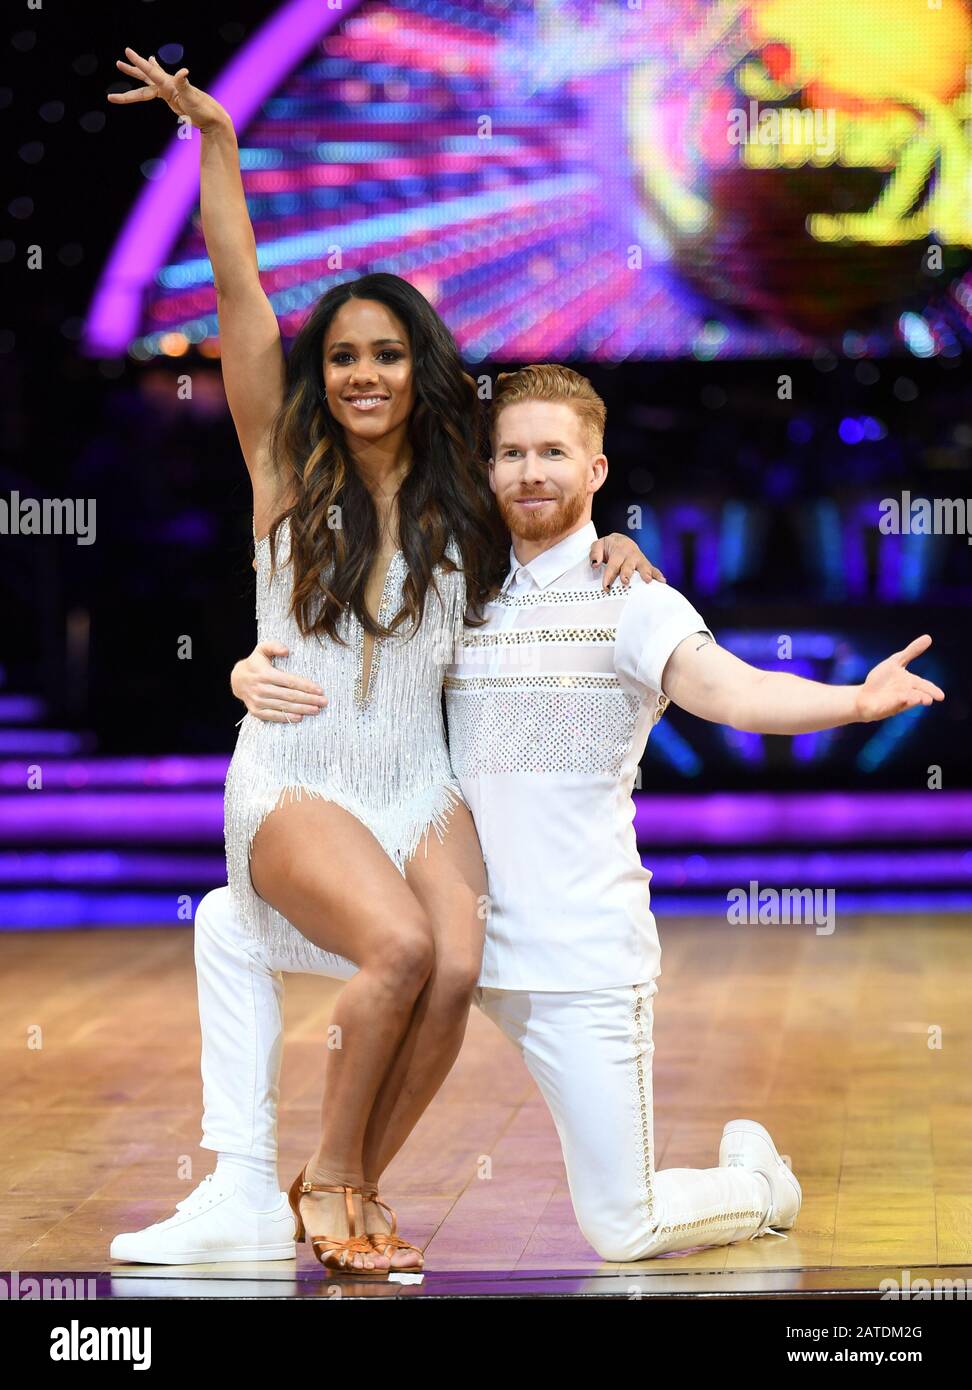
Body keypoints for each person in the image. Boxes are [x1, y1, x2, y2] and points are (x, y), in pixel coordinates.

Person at [116, 363, 945, 1267]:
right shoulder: (453, 590)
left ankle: (755, 1181)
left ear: (595, 468)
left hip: (574, 959)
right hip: (445, 939)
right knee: (229, 924)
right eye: (510, 453)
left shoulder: (633, 599)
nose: (530, 471)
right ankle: (245, 1189)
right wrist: (246, 673)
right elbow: (340, 660)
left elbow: (731, 692)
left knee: (622, 1227)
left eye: (553, 452)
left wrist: (853, 705)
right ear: (486, 468)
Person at [107, 51, 656, 1273]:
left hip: (419, 776)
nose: (362, 374)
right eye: (345, 355)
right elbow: (242, 291)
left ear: (422, 370)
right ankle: (336, 1184)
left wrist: (616, 543)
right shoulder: (283, 469)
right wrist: (219, 144)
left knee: (459, 965)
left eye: (387, 356)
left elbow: (555, 511)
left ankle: (335, 1180)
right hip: (300, 771)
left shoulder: (468, 496)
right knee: (399, 951)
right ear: (324, 372)